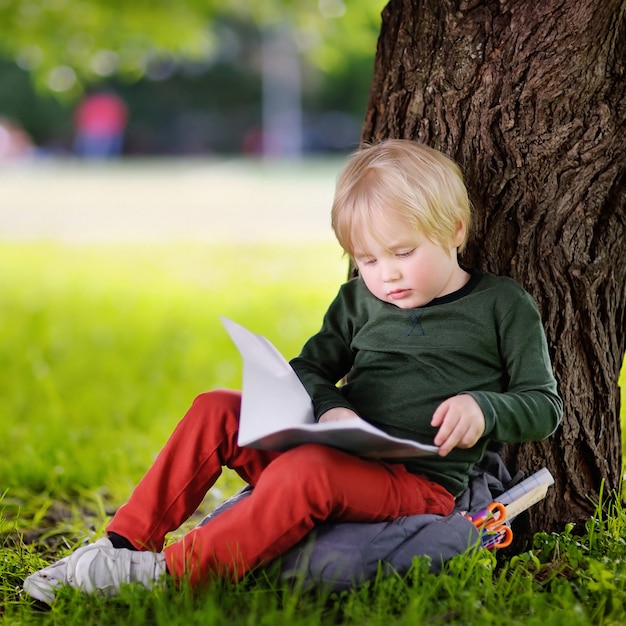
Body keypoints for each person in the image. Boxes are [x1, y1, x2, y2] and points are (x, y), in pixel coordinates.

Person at [23, 139, 563, 604]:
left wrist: (483, 407)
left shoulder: (501, 305)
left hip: (416, 483)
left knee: (307, 471)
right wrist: (331, 407)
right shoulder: (358, 301)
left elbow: (544, 405)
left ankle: (168, 576)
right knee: (217, 407)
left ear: (454, 230)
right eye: (368, 260)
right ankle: (120, 548)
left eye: (403, 252)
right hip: (338, 449)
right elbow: (310, 368)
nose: (387, 274)